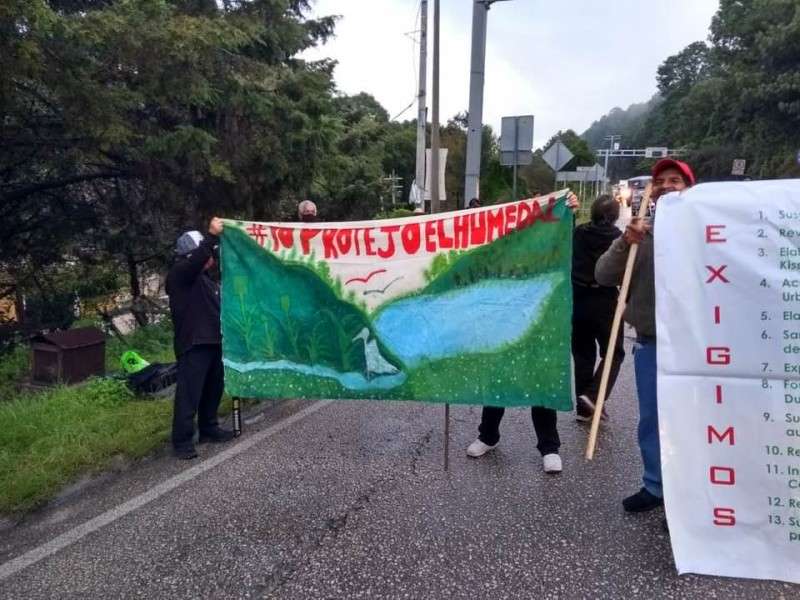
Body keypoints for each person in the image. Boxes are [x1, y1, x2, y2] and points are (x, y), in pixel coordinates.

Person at [595, 158, 695, 511]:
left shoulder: (708, 232)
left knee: (693, 423)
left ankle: (689, 499)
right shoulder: (639, 235)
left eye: (676, 180)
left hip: (697, 347)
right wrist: (625, 242)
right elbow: (604, 275)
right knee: (652, 420)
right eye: (662, 181)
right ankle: (655, 487)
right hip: (652, 345)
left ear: (689, 188)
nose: (668, 185)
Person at [466, 192, 581, 473]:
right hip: (503, 324)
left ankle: (549, 447)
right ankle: (488, 436)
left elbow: (564, 244)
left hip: (539, 323)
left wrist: (570, 213)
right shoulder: (500, 240)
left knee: (541, 383)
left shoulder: (547, 243)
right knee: (498, 383)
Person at [166, 217, 233, 460]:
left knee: (213, 388)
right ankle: (182, 441)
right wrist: (212, 236)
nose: (210, 257)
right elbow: (196, 260)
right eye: (205, 252)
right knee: (189, 394)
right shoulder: (180, 275)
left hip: (214, 342)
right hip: (194, 344)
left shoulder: (205, 281)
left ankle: (209, 429)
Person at [572, 194, 625, 422]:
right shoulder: (619, 239)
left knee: (583, 355)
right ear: (615, 217)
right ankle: (593, 396)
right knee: (614, 352)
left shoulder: (578, 233)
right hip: (605, 300)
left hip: (577, 298)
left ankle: (585, 408)